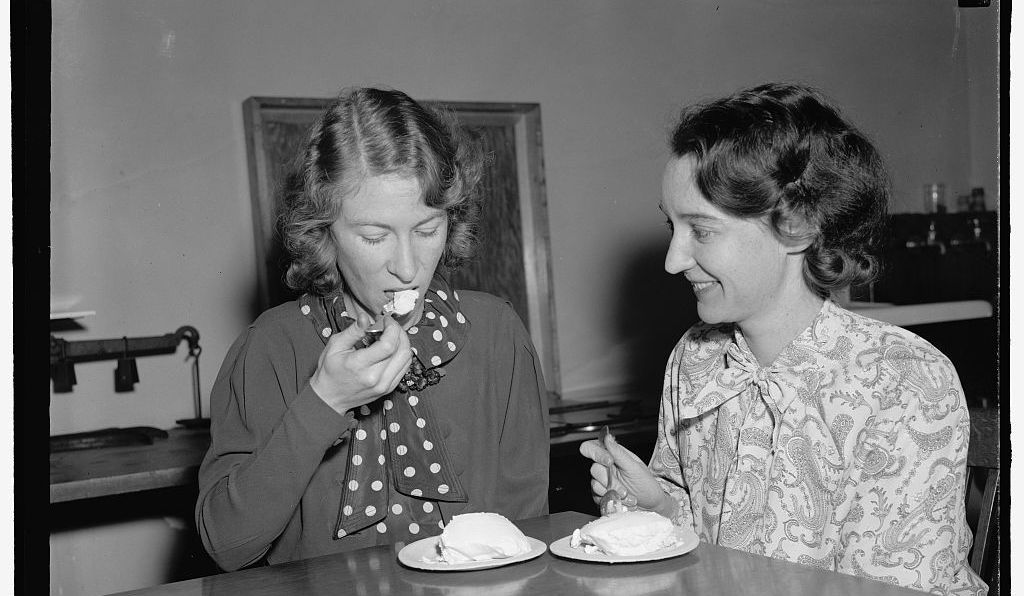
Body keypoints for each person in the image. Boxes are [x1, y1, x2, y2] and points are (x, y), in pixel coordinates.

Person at [581, 83, 987, 595]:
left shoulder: (901, 379)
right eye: (672, 226)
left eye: (701, 231)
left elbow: (893, 586)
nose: (673, 259)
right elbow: (701, 545)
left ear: (797, 225)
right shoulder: (696, 358)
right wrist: (656, 506)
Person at [196, 87, 549, 571]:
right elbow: (228, 546)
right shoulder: (270, 347)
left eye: (427, 230)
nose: (407, 268)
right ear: (323, 232)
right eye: (374, 237)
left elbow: (526, 534)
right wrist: (323, 403)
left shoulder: (496, 333)